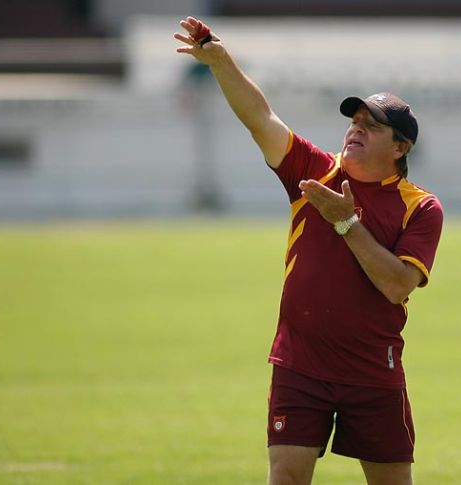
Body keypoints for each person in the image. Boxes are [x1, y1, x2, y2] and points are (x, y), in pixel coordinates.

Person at [175, 16, 443, 485]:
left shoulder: (420, 207)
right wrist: (219, 61)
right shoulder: (314, 172)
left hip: (371, 368)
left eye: (372, 127)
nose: (355, 130)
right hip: (300, 364)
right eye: (354, 122)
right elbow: (260, 118)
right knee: (287, 478)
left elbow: (398, 284)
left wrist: (346, 221)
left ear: (400, 147)